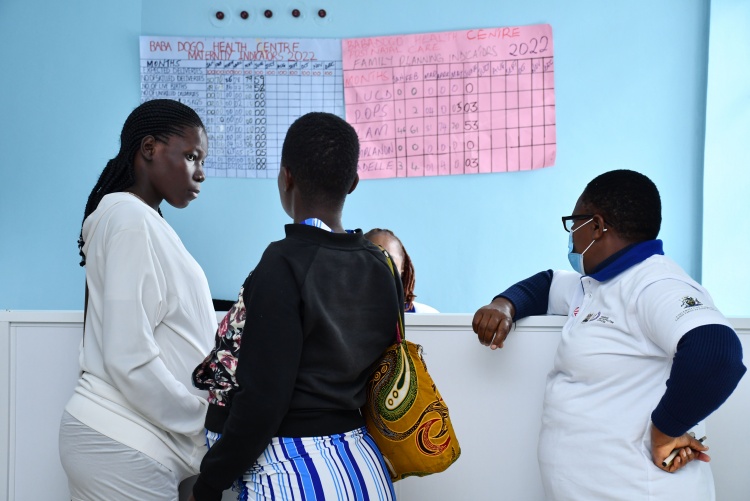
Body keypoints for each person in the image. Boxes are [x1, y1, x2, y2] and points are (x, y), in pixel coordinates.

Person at [472, 169, 745, 500]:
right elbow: (544, 284)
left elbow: (716, 353)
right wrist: (504, 306)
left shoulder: (655, 284)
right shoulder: (596, 284)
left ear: (597, 226)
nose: (572, 238)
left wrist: (665, 430)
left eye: (574, 226)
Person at [189, 112, 399, 501]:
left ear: (286, 176)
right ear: (353, 182)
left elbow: (263, 401)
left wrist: (209, 483)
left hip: (292, 472)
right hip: (365, 470)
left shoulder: (284, 262)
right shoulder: (381, 265)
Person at [59, 99, 217, 500]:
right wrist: (204, 417)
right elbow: (128, 357)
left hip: (135, 443)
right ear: (149, 148)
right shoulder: (129, 219)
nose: (200, 173)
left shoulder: (140, 219)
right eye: (191, 156)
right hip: (124, 440)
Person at [365, 228, 439, 313]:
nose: (380, 269)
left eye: (389, 261)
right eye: (370, 260)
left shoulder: (428, 316)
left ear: (402, 267)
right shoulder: (347, 315)